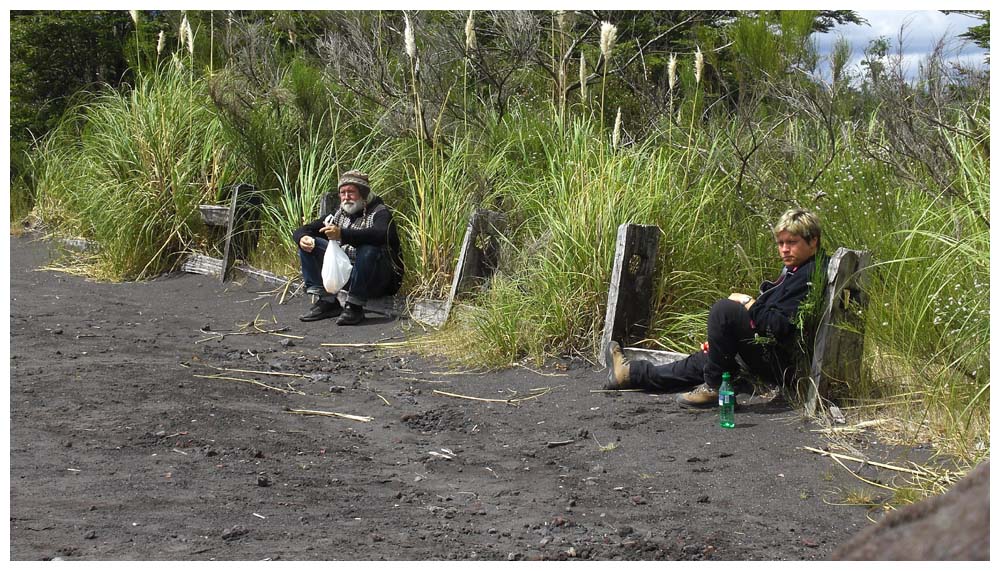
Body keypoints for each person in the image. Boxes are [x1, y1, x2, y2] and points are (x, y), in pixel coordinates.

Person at [603, 208, 823, 408]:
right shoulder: (797, 270)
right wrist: (723, 340)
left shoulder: (810, 275)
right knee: (702, 361)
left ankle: (715, 388)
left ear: (813, 241)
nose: (784, 249)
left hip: (782, 365)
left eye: (791, 242)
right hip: (766, 352)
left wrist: (747, 302)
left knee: (724, 310)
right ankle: (631, 374)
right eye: (780, 243)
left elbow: (777, 326)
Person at [292, 169, 403, 325]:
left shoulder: (380, 212)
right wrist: (301, 237)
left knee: (368, 248)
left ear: (363, 194)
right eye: (342, 193)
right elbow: (306, 228)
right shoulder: (339, 215)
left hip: (379, 279)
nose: (346, 197)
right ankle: (327, 301)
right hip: (350, 276)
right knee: (311, 243)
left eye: (351, 192)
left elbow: (381, 234)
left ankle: (355, 306)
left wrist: (342, 235)